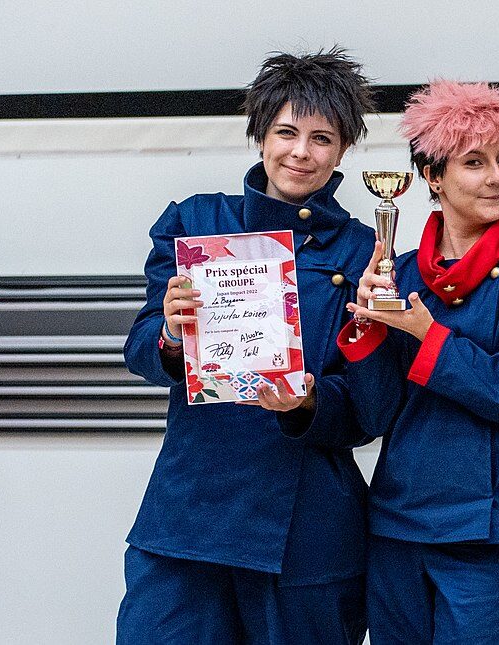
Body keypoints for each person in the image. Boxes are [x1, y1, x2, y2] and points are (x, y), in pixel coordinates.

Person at [117, 49, 375, 644]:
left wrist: (309, 402)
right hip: (190, 510)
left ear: (342, 151)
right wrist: (170, 333)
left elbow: (369, 405)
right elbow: (139, 348)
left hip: (305, 524)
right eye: (286, 132)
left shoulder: (365, 251)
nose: (300, 153)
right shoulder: (196, 222)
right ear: (260, 135)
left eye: (322, 138)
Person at [338, 80, 499, 644]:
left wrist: (428, 336)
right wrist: (368, 331)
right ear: (431, 176)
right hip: (398, 521)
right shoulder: (399, 270)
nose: (496, 177)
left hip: (488, 533)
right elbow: (373, 417)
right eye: (474, 162)